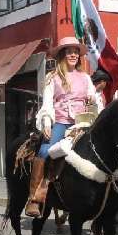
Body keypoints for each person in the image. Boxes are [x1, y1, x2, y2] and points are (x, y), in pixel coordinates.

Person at [26, 37, 104, 218]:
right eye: (69, 51)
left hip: (83, 122)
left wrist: (94, 104)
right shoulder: (52, 77)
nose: (73, 55)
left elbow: (95, 100)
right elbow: (47, 104)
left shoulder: (85, 77)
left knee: (103, 150)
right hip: (61, 121)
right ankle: (35, 197)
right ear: (62, 54)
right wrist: (47, 122)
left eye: (76, 52)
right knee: (46, 151)